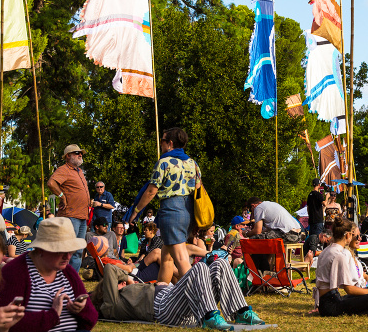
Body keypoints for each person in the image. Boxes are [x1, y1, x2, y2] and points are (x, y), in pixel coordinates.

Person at [91, 258, 263, 329]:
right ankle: (209, 315)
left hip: (178, 302)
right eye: (118, 284)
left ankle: (241, 312)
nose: (123, 283)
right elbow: (109, 269)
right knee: (200, 268)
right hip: (164, 308)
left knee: (220, 264)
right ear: (107, 291)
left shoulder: (120, 297)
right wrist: (127, 278)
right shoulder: (111, 305)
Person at [0, 217, 98, 332]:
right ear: (41, 249)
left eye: (70, 251)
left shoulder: (68, 272)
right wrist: (52, 315)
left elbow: (92, 318)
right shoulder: (15, 272)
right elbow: (8, 324)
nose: (68, 257)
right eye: (61, 251)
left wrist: (81, 309)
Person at [130, 127, 201, 281]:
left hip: (171, 211)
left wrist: (136, 211)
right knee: (167, 257)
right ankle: (161, 294)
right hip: (189, 211)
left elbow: (151, 191)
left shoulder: (164, 162)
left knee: (181, 258)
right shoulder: (193, 163)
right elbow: (198, 191)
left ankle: (200, 295)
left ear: (169, 143)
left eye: (162, 140)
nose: (160, 144)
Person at [314, 217, 368, 317]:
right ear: (348, 235)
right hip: (331, 305)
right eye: (353, 235)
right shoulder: (340, 255)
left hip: (327, 302)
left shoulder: (326, 251)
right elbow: (349, 290)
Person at [46, 144, 90, 271]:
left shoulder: (79, 171)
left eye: (80, 152)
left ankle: (72, 279)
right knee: (67, 250)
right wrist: (61, 195)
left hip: (81, 216)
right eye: (76, 153)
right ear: (68, 156)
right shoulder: (64, 169)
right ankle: (61, 279)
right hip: (70, 216)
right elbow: (51, 183)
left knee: (78, 251)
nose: (80, 154)